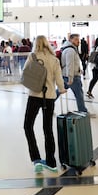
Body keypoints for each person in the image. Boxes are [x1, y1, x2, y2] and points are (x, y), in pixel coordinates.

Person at [22, 35, 66, 173]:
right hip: (50, 96)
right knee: (48, 129)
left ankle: (36, 159)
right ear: (47, 44)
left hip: (34, 95)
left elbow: (24, 73)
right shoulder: (54, 59)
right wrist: (62, 88)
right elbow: (59, 78)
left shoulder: (32, 56)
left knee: (28, 126)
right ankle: (51, 162)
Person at [62, 33, 95, 117]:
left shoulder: (70, 49)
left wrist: (79, 69)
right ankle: (83, 112)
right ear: (71, 40)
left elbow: (72, 63)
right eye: (76, 40)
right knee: (79, 94)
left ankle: (48, 105)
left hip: (68, 75)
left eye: (78, 40)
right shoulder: (70, 50)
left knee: (59, 90)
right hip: (72, 76)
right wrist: (70, 78)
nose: (78, 42)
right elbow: (69, 65)